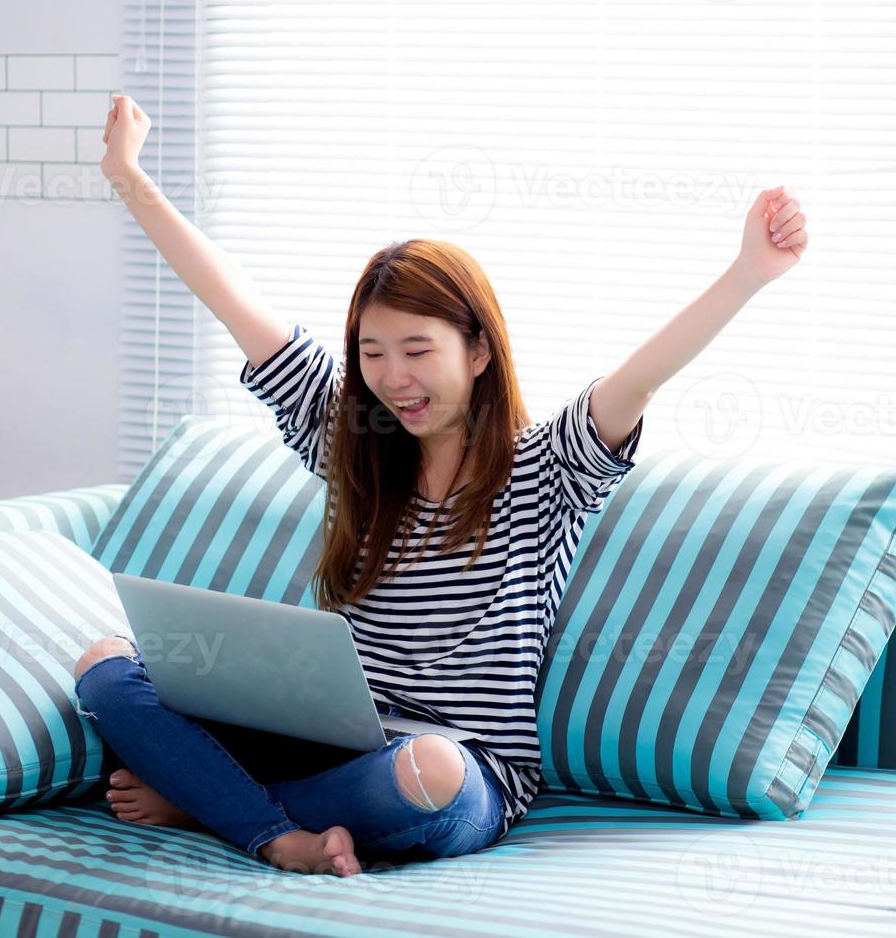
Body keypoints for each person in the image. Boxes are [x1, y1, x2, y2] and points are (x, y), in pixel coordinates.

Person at [72, 94, 809, 878]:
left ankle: (216, 804)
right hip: (327, 743)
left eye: (418, 350)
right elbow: (234, 302)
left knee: (430, 773)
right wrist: (128, 176)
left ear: (479, 352)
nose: (394, 378)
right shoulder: (353, 443)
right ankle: (277, 833)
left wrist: (748, 274)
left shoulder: (544, 468)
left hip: (459, 773)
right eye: (373, 353)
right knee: (107, 665)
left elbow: (640, 379)